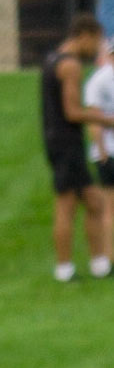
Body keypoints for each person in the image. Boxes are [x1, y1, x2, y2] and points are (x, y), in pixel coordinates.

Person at [40, 15, 114, 282]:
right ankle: (65, 270)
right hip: (66, 144)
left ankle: (100, 265)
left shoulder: (52, 59)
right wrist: (107, 120)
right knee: (66, 204)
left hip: (56, 140)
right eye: (96, 41)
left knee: (94, 202)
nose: (96, 49)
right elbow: (72, 112)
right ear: (84, 35)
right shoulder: (70, 65)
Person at [86, 40, 114, 266]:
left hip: (107, 151)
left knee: (109, 208)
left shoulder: (97, 79)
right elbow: (95, 119)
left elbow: (93, 117)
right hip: (109, 150)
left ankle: (109, 255)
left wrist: (101, 151)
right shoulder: (101, 79)